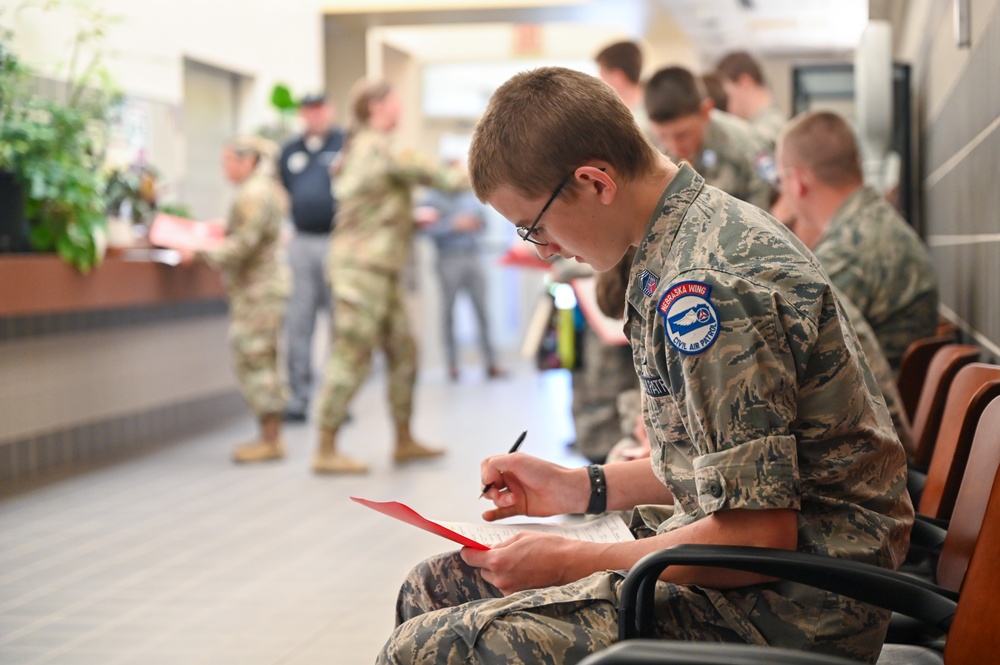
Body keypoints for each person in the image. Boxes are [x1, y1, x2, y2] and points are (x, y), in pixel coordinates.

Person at [377, 67, 912, 665]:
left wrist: (567, 561)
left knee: (427, 651)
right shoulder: (682, 239)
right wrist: (579, 486)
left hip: (792, 605)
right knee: (434, 585)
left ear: (595, 181)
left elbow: (756, 532)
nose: (544, 250)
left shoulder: (705, 286)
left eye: (536, 226)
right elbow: (717, 466)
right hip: (761, 569)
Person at [312, 79, 467, 474]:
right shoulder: (382, 147)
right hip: (361, 271)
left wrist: (407, 218)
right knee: (352, 354)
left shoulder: (362, 148)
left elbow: (369, 206)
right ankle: (325, 445)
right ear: (378, 106)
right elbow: (447, 181)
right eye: (396, 101)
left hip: (378, 268)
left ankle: (403, 438)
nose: (401, 108)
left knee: (403, 351)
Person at [775, 110, 939, 370]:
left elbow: (783, 345)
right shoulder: (870, 223)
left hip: (875, 404)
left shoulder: (852, 246)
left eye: (780, 179)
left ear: (797, 181)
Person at [193, 136, 291, 463]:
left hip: (257, 289)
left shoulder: (253, 193)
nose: (225, 169)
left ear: (247, 161)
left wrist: (199, 251)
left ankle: (270, 438)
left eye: (228, 162)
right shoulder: (260, 191)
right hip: (260, 288)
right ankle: (270, 435)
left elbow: (244, 245)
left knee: (255, 358)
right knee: (260, 357)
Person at [278, 93, 345, 423]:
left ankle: (337, 401)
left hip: (337, 241)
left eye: (319, 110)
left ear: (328, 111)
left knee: (341, 323)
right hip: (302, 243)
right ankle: (298, 398)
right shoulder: (290, 151)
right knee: (298, 321)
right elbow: (284, 192)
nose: (314, 116)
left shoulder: (344, 143)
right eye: (308, 111)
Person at [645, 66, 776, 211]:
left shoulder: (746, 146)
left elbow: (765, 213)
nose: (674, 146)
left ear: (706, 111)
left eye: (682, 135)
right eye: (663, 136)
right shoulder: (648, 148)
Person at [414, 187, 505, 382]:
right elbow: (423, 229)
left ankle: (491, 362)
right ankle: (452, 365)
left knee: (482, 311)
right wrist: (453, 225)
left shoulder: (470, 195)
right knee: (448, 313)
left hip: (473, 256)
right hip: (448, 259)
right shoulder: (430, 198)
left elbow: (485, 222)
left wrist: (476, 223)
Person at [715, 51, 786, 151]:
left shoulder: (773, 122)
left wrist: (712, 117)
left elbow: (758, 147)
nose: (726, 105)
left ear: (744, 83)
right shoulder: (756, 124)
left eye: (727, 95)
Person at [594, 40, 648, 133]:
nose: (599, 80)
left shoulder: (648, 117)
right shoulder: (616, 112)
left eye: (602, 75)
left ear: (617, 77)